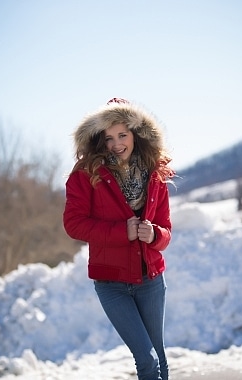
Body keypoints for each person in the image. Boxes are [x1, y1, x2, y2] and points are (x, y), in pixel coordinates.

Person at [63, 97, 175, 380]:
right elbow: (73, 225)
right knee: (146, 358)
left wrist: (154, 235)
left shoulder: (155, 176)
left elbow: (165, 233)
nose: (116, 144)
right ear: (99, 140)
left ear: (136, 134)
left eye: (122, 134)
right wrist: (119, 232)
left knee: (159, 356)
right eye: (109, 137)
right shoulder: (85, 176)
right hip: (111, 284)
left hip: (151, 280)